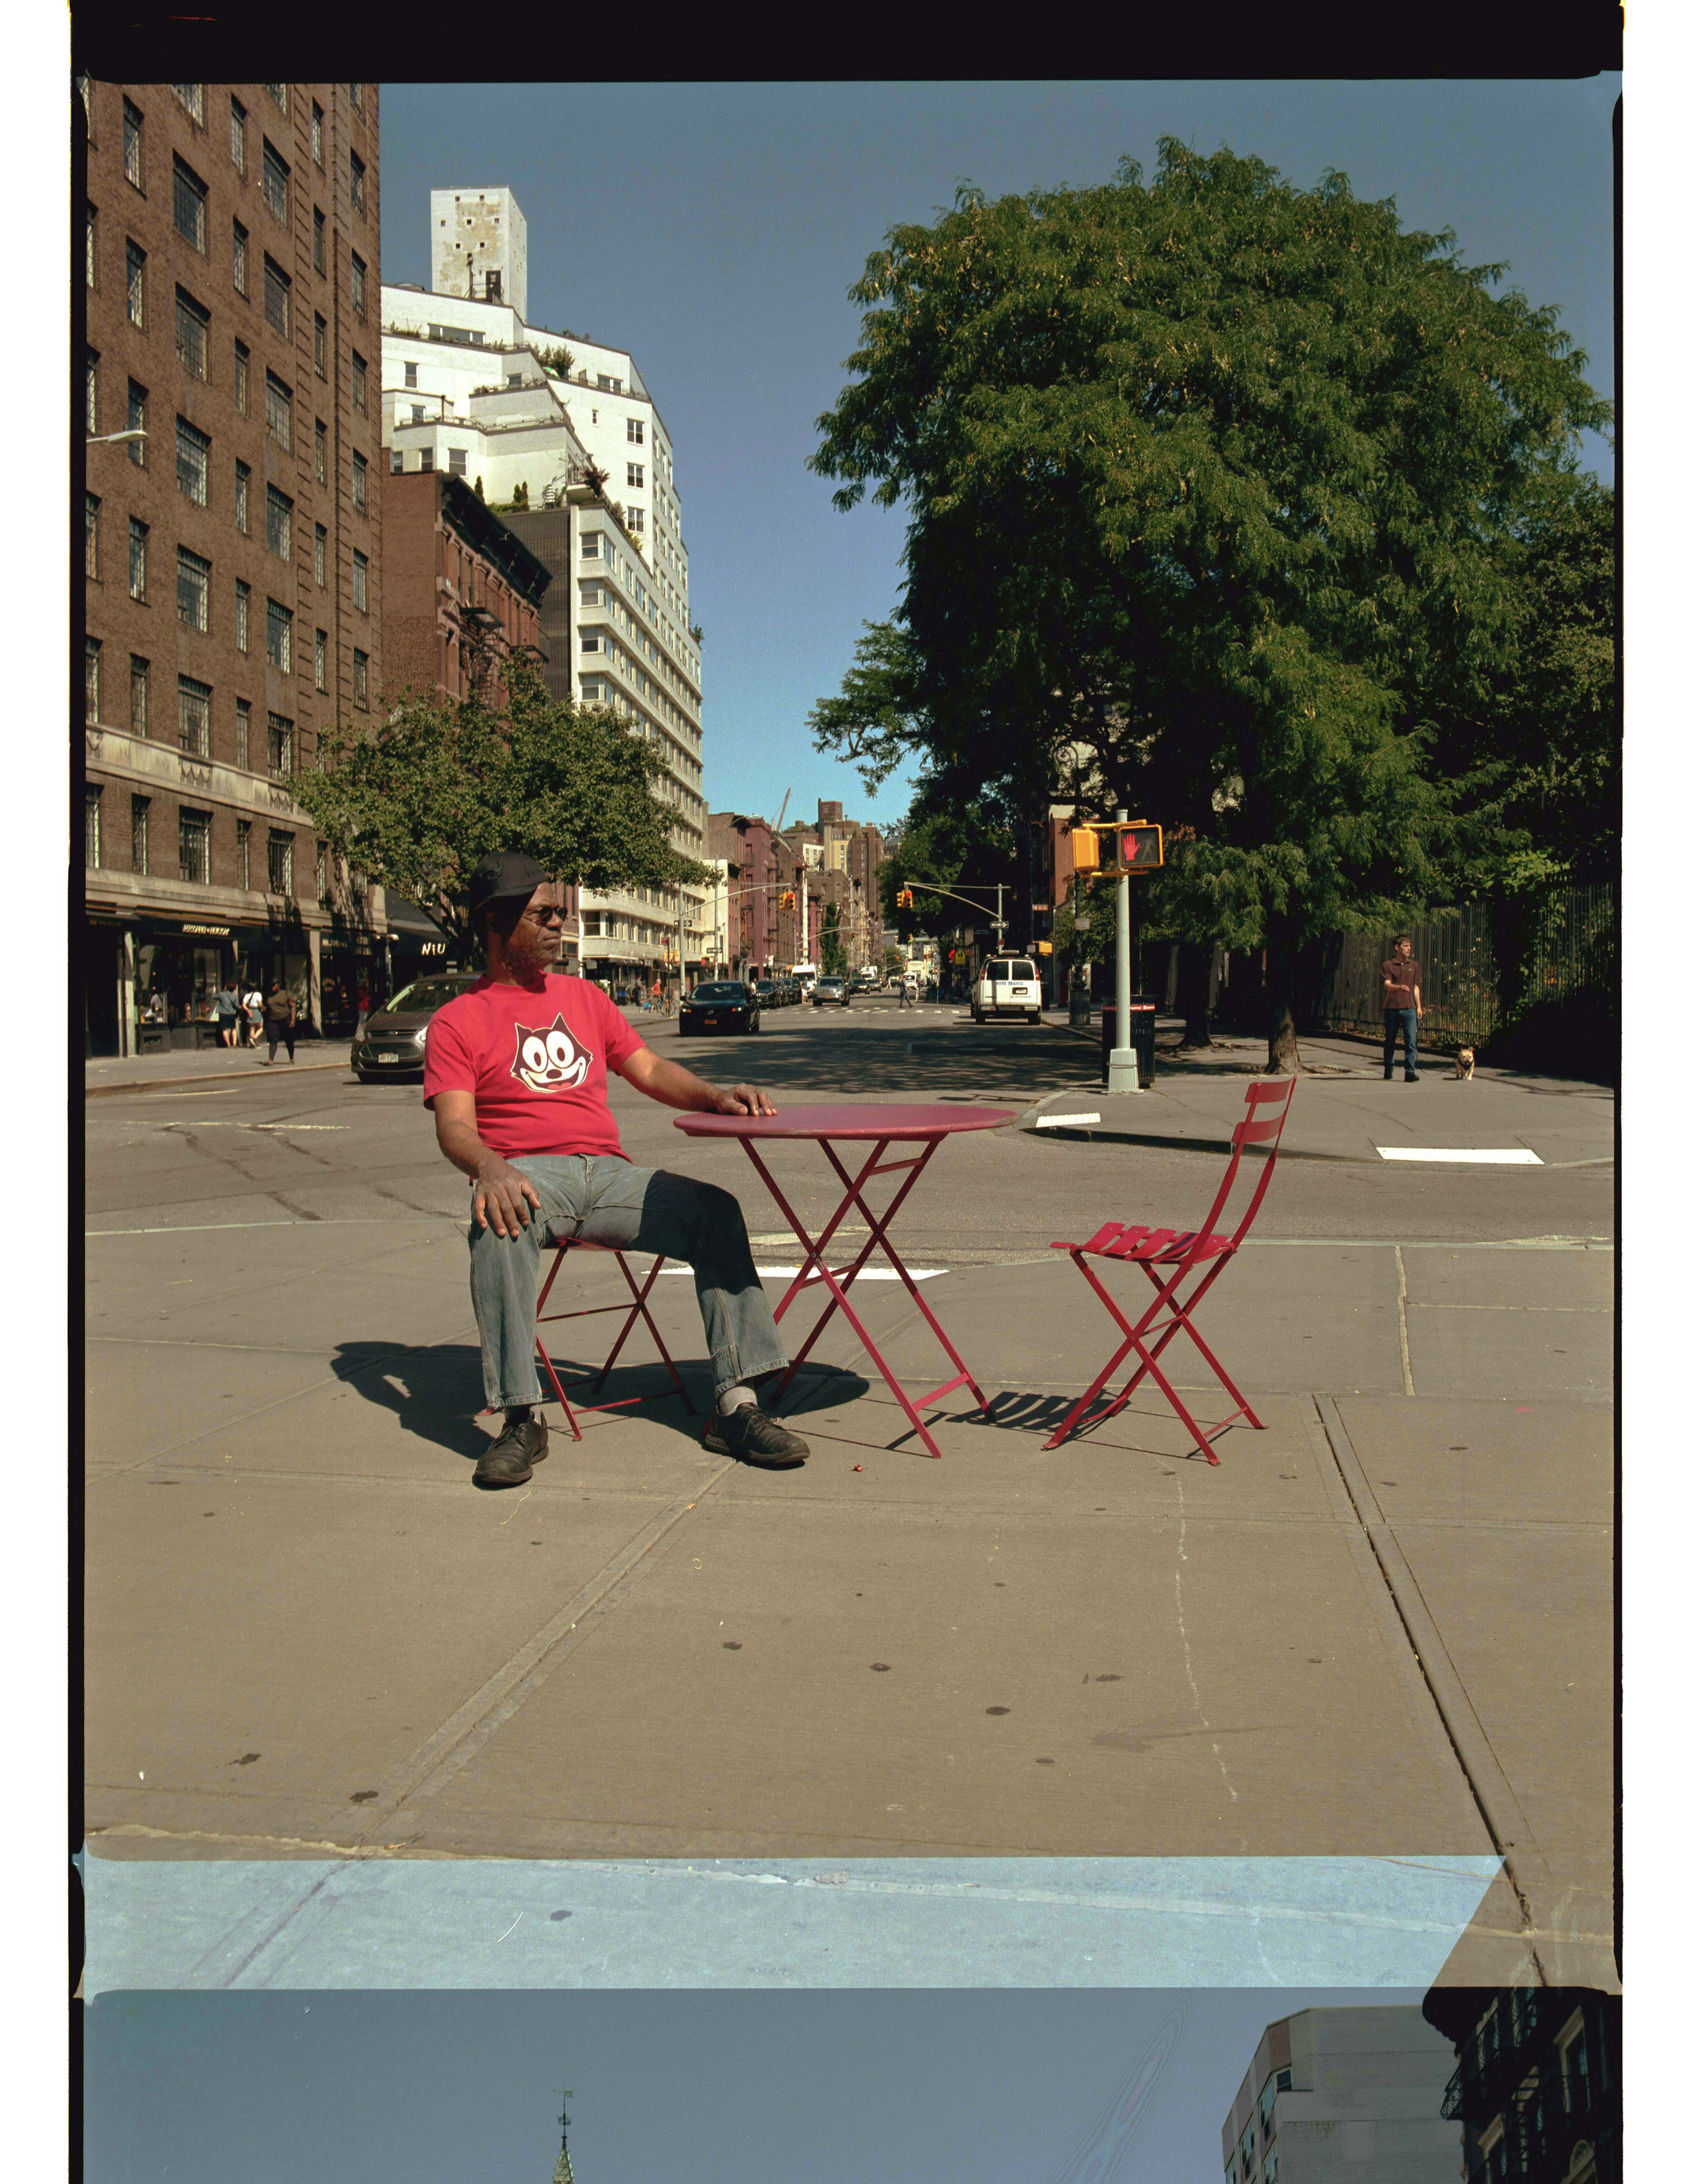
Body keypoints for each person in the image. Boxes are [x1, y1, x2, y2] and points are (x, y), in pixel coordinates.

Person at [424, 851, 811, 1490]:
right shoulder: (458, 1021)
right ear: (496, 923)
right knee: (496, 1222)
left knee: (715, 1211)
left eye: (560, 911)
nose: (559, 923)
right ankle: (523, 1415)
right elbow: (454, 1126)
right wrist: (489, 1168)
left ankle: (737, 1407)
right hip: (528, 1177)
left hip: (606, 1175)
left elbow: (651, 1069)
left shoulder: (584, 996)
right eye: (543, 913)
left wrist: (714, 1094)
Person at [1381, 936, 1423, 1081]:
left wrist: (1419, 1006)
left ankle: (1410, 1072)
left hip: (1410, 1008)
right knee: (1390, 1040)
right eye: (1405, 946)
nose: (1409, 949)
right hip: (1392, 1008)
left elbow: (1416, 987)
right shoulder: (1388, 965)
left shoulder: (1414, 965)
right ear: (1397, 948)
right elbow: (1387, 984)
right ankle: (1389, 1066)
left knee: (1411, 1040)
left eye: (1409, 946)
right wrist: (1398, 987)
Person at [262, 980, 298, 1065]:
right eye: (271, 985)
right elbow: (267, 1009)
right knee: (273, 1039)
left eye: (274, 985)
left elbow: (293, 1007)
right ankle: (271, 1060)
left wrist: (293, 1020)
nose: (272, 987)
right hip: (273, 1020)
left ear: (278, 985)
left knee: (289, 1040)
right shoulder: (268, 996)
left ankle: (291, 1058)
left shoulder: (285, 993)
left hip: (285, 1019)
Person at [211, 981, 240, 1049]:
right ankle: (234, 1043)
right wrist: (237, 1014)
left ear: (226, 987)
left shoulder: (222, 994)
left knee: (224, 1029)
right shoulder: (235, 996)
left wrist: (214, 990)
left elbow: (213, 996)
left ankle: (228, 1044)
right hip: (231, 1014)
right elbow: (237, 1006)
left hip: (223, 1014)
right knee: (233, 1028)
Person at [241, 983, 265, 1049]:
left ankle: (252, 1043)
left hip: (250, 1010)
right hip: (257, 1010)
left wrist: (248, 1011)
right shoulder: (258, 994)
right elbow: (260, 1004)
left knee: (252, 1028)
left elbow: (243, 1005)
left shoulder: (247, 995)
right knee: (261, 1028)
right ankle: (254, 1039)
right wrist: (264, 1008)